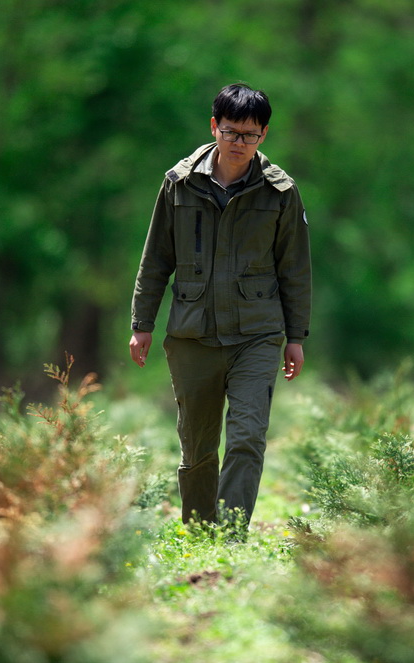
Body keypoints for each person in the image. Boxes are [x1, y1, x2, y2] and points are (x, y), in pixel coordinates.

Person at [129, 83, 312, 532]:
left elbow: (295, 268)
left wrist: (296, 337)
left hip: (257, 334)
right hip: (193, 334)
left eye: (249, 135)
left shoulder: (280, 192)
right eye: (231, 132)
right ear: (214, 126)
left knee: (248, 438)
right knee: (198, 447)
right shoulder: (178, 184)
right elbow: (156, 258)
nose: (238, 143)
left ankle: (230, 538)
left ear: (263, 135)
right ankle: (199, 531)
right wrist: (142, 323)